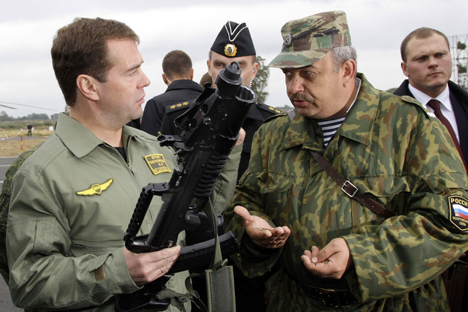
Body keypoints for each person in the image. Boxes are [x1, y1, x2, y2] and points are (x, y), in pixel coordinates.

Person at [224, 10, 468, 311]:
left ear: (347, 70)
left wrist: (360, 255)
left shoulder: (409, 126)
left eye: (307, 73)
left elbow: (453, 223)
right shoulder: (273, 135)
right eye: (288, 74)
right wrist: (256, 236)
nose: (293, 87)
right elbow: (243, 207)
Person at [6, 17, 242, 312]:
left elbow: (199, 213)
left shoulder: (156, 148)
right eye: (132, 72)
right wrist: (118, 271)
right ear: (89, 87)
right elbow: (30, 283)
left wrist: (227, 149)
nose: (145, 80)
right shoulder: (42, 174)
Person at [161, 21, 280, 312]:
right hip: (190, 252)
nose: (229, 71)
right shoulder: (180, 120)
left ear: (254, 70)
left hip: (248, 257)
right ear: (209, 66)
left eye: (239, 64)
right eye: (220, 64)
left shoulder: (271, 124)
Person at [394, 27, 468, 169]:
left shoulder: (464, 104)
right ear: (405, 68)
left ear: (451, 59)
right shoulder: (386, 117)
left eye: (440, 55)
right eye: (422, 58)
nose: (433, 63)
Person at [140, 50, 203, 136]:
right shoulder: (211, 98)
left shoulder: (155, 105)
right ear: (191, 73)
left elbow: (148, 143)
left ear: (164, 78)